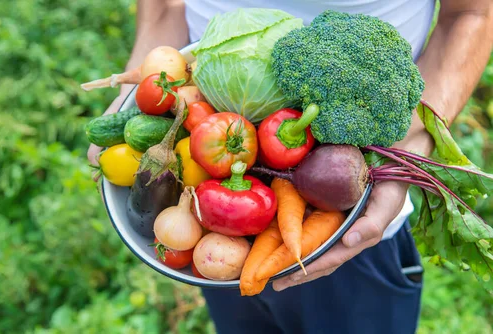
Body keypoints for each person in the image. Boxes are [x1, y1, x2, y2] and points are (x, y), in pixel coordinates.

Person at [88, 1, 493, 333]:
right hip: (212, 233)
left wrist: (419, 134)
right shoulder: (203, 211)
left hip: (352, 226)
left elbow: (472, 14)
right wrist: (138, 90)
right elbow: (163, 7)